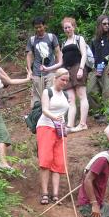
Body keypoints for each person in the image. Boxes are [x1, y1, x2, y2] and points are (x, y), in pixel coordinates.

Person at [42, 17, 89, 132]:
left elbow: (84, 55)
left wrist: (81, 69)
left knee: (82, 95)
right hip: (66, 71)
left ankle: (83, 123)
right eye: (65, 28)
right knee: (70, 99)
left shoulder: (79, 39)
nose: (67, 29)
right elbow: (61, 62)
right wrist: (47, 68)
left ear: (73, 27)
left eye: (69, 27)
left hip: (77, 67)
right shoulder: (64, 43)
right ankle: (69, 125)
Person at [36, 68, 70, 205]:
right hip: (46, 126)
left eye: (67, 80)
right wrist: (55, 117)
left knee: (59, 160)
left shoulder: (66, 95)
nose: (64, 82)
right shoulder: (47, 92)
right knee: (46, 160)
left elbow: (66, 111)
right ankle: (44, 193)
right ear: (56, 78)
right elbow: (45, 110)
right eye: (62, 79)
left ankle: (55, 194)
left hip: (60, 129)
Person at [87, 15, 109, 122]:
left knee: (108, 91)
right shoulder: (94, 40)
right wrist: (92, 69)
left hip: (108, 66)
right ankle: (98, 112)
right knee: (90, 91)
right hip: (97, 68)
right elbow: (91, 56)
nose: (107, 25)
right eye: (104, 24)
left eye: (108, 24)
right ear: (99, 25)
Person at [26, 16, 62, 108]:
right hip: (37, 72)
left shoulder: (51, 37)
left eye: (40, 26)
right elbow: (29, 55)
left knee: (50, 94)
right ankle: (36, 117)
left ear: (44, 26)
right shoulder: (32, 40)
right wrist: (30, 70)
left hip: (50, 71)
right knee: (36, 97)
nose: (38, 29)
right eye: (36, 27)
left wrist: (58, 66)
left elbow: (58, 51)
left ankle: (49, 117)